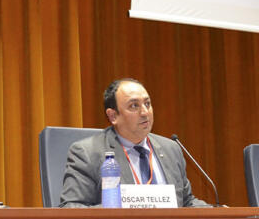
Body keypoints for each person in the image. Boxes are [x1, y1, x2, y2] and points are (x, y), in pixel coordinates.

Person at [59, 78, 209, 208]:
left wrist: (220, 211)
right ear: (113, 116)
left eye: (147, 104)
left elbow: (186, 202)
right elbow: (71, 207)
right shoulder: (88, 153)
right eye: (134, 106)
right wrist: (119, 205)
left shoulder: (170, 149)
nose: (145, 112)